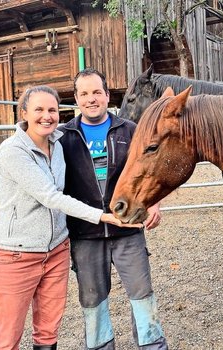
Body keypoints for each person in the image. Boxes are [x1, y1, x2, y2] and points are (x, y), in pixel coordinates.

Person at [0, 85, 140, 350]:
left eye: (52, 110)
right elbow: (50, 196)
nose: (47, 116)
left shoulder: (57, 144)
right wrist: (102, 217)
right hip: (18, 253)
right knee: (7, 335)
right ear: (24, 113)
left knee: (48, 330)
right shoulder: (13, 150)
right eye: (39, 110)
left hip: (56, 250)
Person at [58, 68, 168, 350]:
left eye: (97, 92)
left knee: (142, 294)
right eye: (84, 94)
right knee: (93, 300)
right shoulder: (64, 138)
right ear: (76, 99)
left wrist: (154, 202)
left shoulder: (130, 130)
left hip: (128, 228)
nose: (91, 99)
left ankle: (152, 346)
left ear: (107, 96)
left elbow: (151, 169)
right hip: (85, 234)